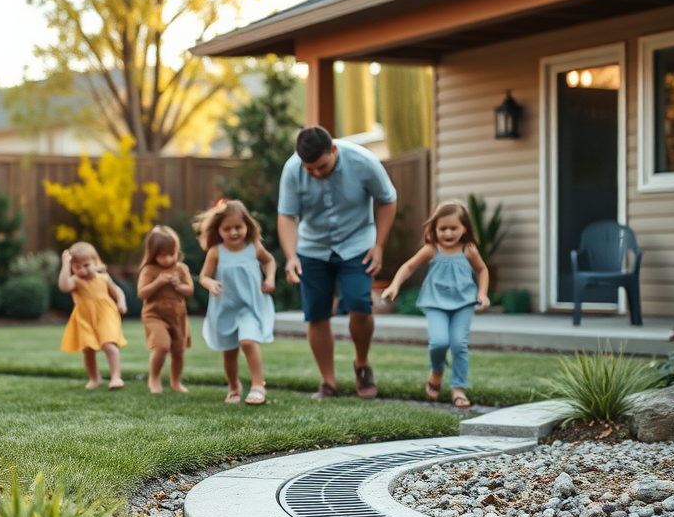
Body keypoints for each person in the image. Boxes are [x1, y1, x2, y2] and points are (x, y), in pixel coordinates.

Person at [277, 125, 397, 400]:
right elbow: (286, 215)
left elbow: (387, 200)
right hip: (312, 247)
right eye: (310, 170)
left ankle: (362, 364)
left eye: (321, 166)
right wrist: (291, 255)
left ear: (333, 149)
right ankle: (328, 381)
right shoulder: (292, 169)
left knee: (360, 305)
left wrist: (379, 246)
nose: (316, 174)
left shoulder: (364, 162)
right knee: (317, 314)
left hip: (357, 243)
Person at [381, 200, 490, 408]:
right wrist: (395, 285)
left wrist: (482, 293)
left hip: (463, 303)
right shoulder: (432, 249)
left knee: (459, 344)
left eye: (453, 228)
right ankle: (437, 370)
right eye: (443, 229)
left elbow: (482, 270)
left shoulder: (469, 250)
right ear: (434, 229)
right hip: (436, 303)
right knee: (439, 342)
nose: (448, 233)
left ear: (464, 228)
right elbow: (409, 266)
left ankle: (458, 388)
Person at [194, 199, 276, 405]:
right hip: (226, 308)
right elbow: (203, 276)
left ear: (247, 226)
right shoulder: (216, 252)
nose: (233, 233)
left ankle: (258, 385)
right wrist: (210, 283)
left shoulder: (254, 247)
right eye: (227, 228)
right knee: (229, 352)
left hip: (249, 306)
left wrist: (270, 278)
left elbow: (269, 261)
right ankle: (233, 387)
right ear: (218, 230)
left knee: (248, 341)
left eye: (238, 227)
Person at [58, 241, 128, 390]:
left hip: (106, 314)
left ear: (95, 262)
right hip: (84, 318)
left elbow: (117, 290)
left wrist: (121, 302)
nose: (83, 270)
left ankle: (116, 377)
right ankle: (94, 379)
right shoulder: (75, 281)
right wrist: (65, 264)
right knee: (88, 349)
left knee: (109, 345)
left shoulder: (103, 278)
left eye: (86, 265)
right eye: (77, 267)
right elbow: (64, 286)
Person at [136, 225, 194, 394]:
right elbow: (141, 293)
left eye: (173, 253)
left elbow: (189, 291)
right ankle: (154, 379)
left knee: (178, 351)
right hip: (155, 315)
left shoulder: (181, 269)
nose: (169, 259)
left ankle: (176, 382)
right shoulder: (149, 270)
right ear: (153, 254)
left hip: (177, 316)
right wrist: (159, 282)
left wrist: (178, 285)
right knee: (161, 346)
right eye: (163, 255)